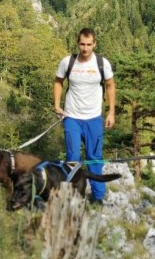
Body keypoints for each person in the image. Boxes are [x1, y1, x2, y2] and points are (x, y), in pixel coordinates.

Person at [53, 28, 116, 205]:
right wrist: (57, 105)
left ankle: (97, 197)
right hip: (71, 117)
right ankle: (74, 194)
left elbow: (110, 86)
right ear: (77, 43)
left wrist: (111, 112)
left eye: (89, 44)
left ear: (94, 44)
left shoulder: (102, 64)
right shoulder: (68, 62)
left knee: (94, 158)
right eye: (82, 44)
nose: (85, 48)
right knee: (72, 158)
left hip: (94, 118)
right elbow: (58, 82)